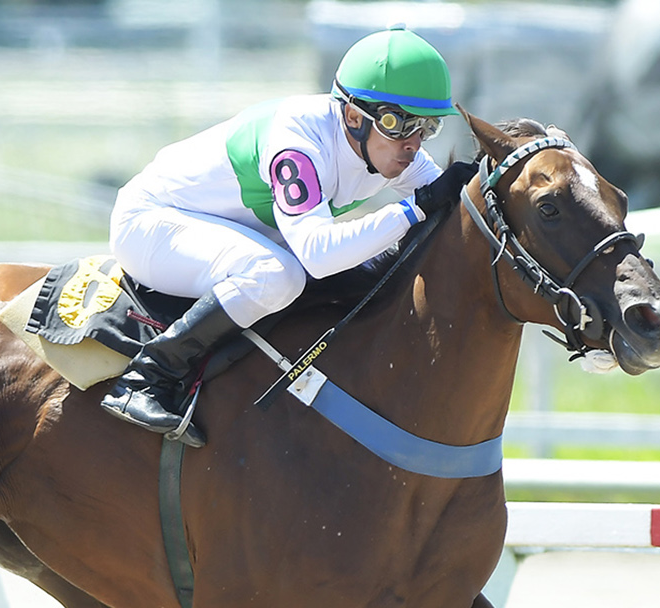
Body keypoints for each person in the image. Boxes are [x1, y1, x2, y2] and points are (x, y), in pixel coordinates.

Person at [101, 25, 479, 448]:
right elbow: (319, 253)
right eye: (399, 123)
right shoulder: (298, 142)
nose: (412, 144)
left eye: (427, 127)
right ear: (354, 117)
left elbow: (450, 206)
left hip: (220, 230)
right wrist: (413, 207)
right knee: (277, 276)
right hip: (150, 223)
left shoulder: (388, 147)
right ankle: (148, 376)